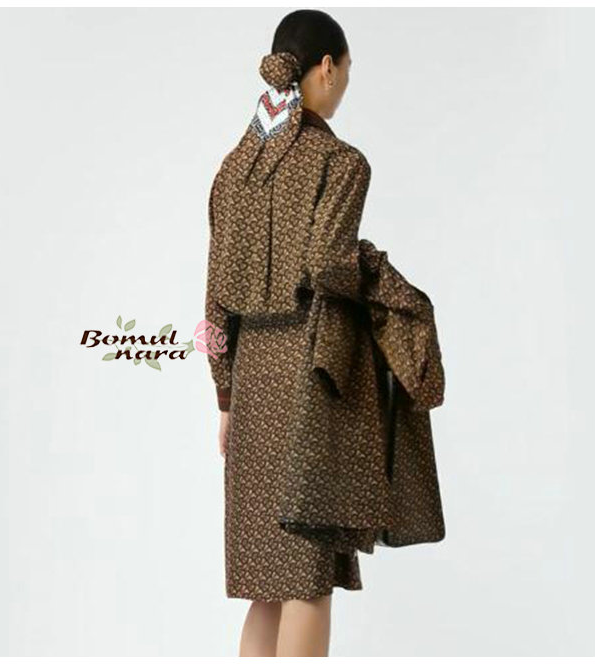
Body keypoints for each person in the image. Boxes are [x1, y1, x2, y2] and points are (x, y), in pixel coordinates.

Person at [205, 10, 373, 657]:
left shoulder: (233, 170)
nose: (346, 83)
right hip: (309, 377)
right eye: (347, 70)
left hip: (250, 385)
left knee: (267, 586)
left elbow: (214, 302)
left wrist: (225, 397)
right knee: (306, 575)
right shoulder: (341, 163)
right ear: (326, 68)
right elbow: (331, 269)